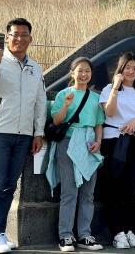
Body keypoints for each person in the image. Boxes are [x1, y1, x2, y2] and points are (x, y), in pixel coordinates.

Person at [0, 18, 46, 254]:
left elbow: (40, 101)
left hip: (24, 134)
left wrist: (38, 132)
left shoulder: (35, 67)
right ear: (6, 37)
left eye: (23, 34)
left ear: (30, 38)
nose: (19, 39)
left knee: (8, 185)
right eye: (14, 34)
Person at [98, 53, 135, 248]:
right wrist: (116, 87)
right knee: (113, 189)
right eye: (127, 67)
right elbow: (109, 112)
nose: (131, 71)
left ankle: (130, 229)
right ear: (121, 69)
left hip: (134, 143)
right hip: (113, 142)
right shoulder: (109, 89)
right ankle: (117, 232)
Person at [46, 57, 104, 252]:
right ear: (72, 73)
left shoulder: (95, 98)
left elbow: (98, 124)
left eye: (87, 71)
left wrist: (98, 143)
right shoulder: (64, 94)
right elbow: (56, 120)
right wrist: (66, 105)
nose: (83, 74)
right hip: (68, 143)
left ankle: (85, 235)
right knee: (69, 191)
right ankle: (65, 236)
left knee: (88, 192)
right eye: (80, 70)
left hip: (89, 144)